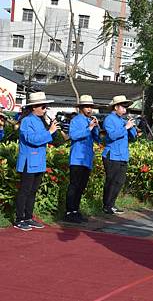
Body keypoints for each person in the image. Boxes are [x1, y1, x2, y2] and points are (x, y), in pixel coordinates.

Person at [14, 92, 58, 231]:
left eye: (46, 106)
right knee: (25, 191)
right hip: (29, 160)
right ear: (33, 107)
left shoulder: (39, 120)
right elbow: (32, 139)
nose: (45, 109)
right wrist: (49, 132)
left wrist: (53, 129)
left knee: (33, 191)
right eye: (43, 106)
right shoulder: (27, 121)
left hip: (38, 161)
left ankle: (28, 217)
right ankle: (19, 219)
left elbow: (47, 138)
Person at [64, 95, 100, 224]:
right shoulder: (76, 120)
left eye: (91, 107)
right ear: (81, 108)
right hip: (77, 158)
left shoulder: (89, 120)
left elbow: (98, 139)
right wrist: (89, 128)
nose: (89, 109)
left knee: (81, 186)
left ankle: (75, 210)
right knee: (74, 185)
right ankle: (69, 212)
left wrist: (96, 127)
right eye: (87, 106)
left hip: (87, 158)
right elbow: (73, 135)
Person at [101, 95, 136, 215]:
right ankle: (106, 205)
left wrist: (131, 127)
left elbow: (133, 137)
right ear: (116, 107)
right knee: (111, 181)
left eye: (126, 107)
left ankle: (112, 204)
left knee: (119, 181)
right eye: (123, 107)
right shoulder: (109, 119)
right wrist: (126, 127)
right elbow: (111, 135)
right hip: (112, 155)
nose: (125, 110)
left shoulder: (123, 120)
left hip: (122, 155)